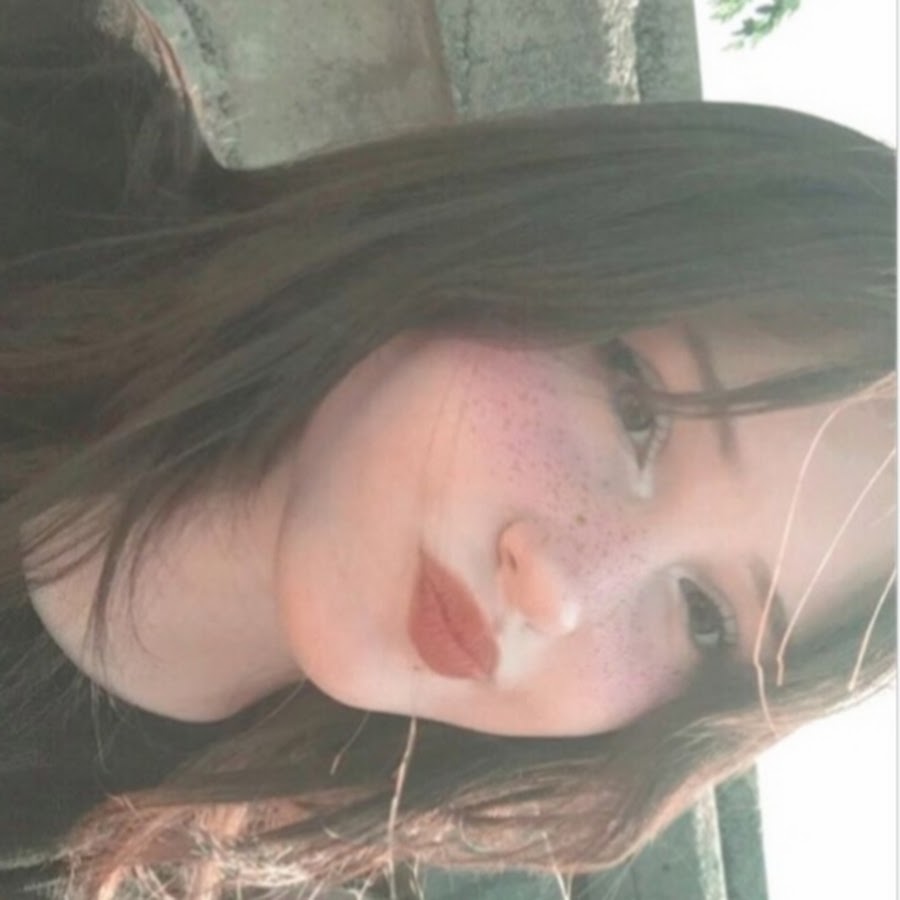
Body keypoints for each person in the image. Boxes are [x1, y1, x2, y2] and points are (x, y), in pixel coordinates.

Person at [0, 1, 895, 898]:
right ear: (536, 238)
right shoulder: (38, 117)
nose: (558, 594)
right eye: (636, 409)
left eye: (706, 617)